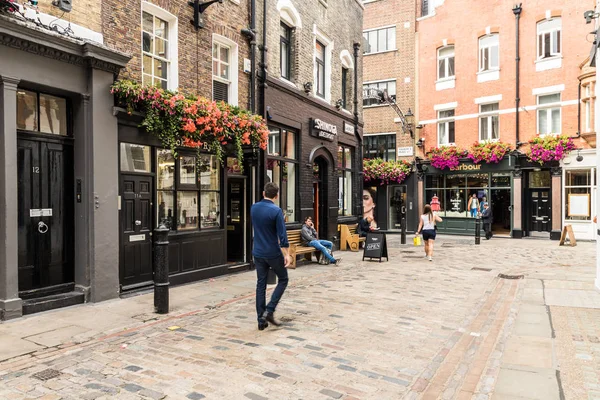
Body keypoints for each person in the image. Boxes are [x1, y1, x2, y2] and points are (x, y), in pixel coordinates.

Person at [250, 182, 292, 331]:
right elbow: (282, 235)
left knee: (260, 284)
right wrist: (287, 254)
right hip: (272, 253)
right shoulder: (276, 211)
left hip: (258, 252)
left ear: (263, 193)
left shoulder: (254, 208)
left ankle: (260, 320)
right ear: (277, 195)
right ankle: (270, 310)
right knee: (283, 279)